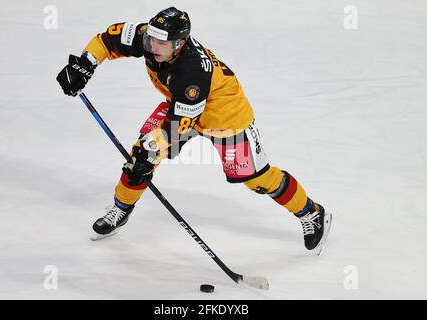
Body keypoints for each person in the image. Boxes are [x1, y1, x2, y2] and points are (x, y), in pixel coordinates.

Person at [56, 7, 332, 254]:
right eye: (151, 38)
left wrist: (156, 147)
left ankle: (311, 212)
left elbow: (176, 127)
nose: (152, 46)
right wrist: (85, 64)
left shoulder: (192, 74)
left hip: (225, 117)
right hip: (180, 106)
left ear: (179, 43)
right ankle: (121, 209)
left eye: (161, 42)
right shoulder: (149, 38)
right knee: (140, 158)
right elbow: (107, 40)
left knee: (254, 178)